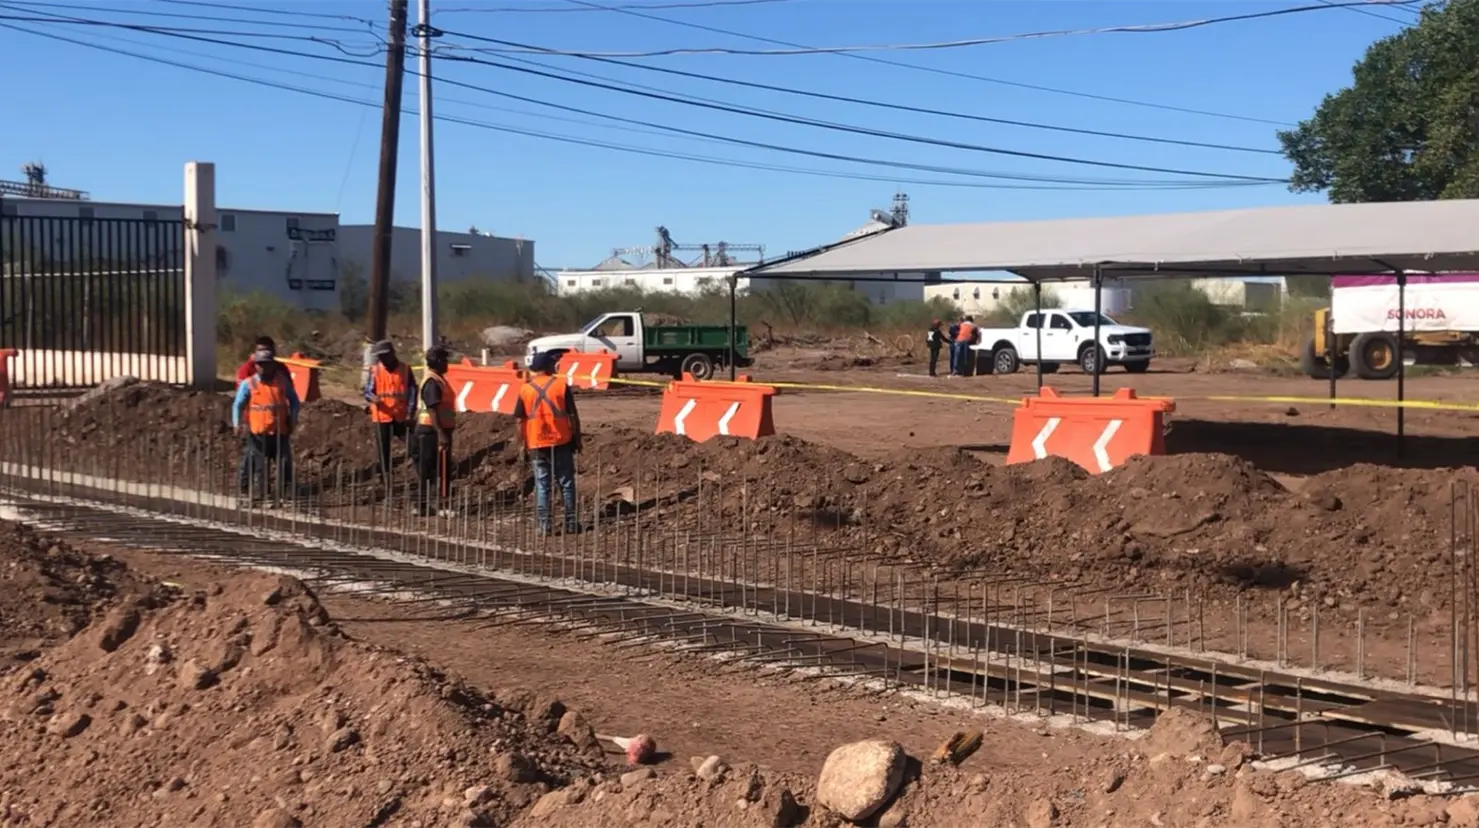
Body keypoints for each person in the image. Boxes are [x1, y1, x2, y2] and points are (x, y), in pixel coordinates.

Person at [513, 350, 583, 536]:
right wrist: (577, 437)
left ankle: (545, 527)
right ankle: (571, 523)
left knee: (542, 485)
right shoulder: (561, 386)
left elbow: (520, 420)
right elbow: (573, 415)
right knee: (566, 483)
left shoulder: (525, 389)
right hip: (561, 441)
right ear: (548, 367)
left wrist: (522, 444)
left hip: (537, 443)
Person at [232, 345, 300, 506]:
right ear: (255, 365)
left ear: (273, 365)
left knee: (284, 464)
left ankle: (285, 495)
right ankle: (260, 495)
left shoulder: (282, 382)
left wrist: (293, 418)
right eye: (260, 364)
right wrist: (236, 424)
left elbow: (295, 401)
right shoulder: (249, 384)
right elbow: (237, 405)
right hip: (258, 433)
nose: (263, 367)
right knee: (259, 467)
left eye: (267, 364)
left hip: (280, 431)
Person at [413, 345, 456, 517]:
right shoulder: (432, 382)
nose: (447, 364)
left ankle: (423, 506)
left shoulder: (437, 379)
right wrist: (441, 434)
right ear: (437, 361)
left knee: (431, 469)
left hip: (434, 430)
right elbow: (432, 409)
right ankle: (440, 507)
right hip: (431, 431)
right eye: (445, 360)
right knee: (438, 470)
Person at [363, 339, 415, 481]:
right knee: (383, 451)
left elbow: (412, 391)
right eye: (380, 357)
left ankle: (423, 473)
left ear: (392, 354)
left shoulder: (405, 369)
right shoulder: (375, 371)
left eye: (384, 356)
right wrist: (371, 398)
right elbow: (367, 391)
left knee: (414, 445)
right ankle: (387, 480)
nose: (382, 359)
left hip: (400, 415)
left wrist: (411, 411)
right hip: (382, 416)